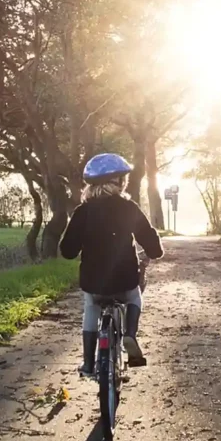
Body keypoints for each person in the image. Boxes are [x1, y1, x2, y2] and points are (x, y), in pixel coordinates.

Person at [60, 153, 164, 376]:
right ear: (119, 182)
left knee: (91, 306)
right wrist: (153, 251)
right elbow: (151, 243)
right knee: (134, 297)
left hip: (93, 282)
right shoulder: (129, 208)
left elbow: (67, 251)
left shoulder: (83, 212)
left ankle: (88, 363)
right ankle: (130, 335)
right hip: (124, 280)